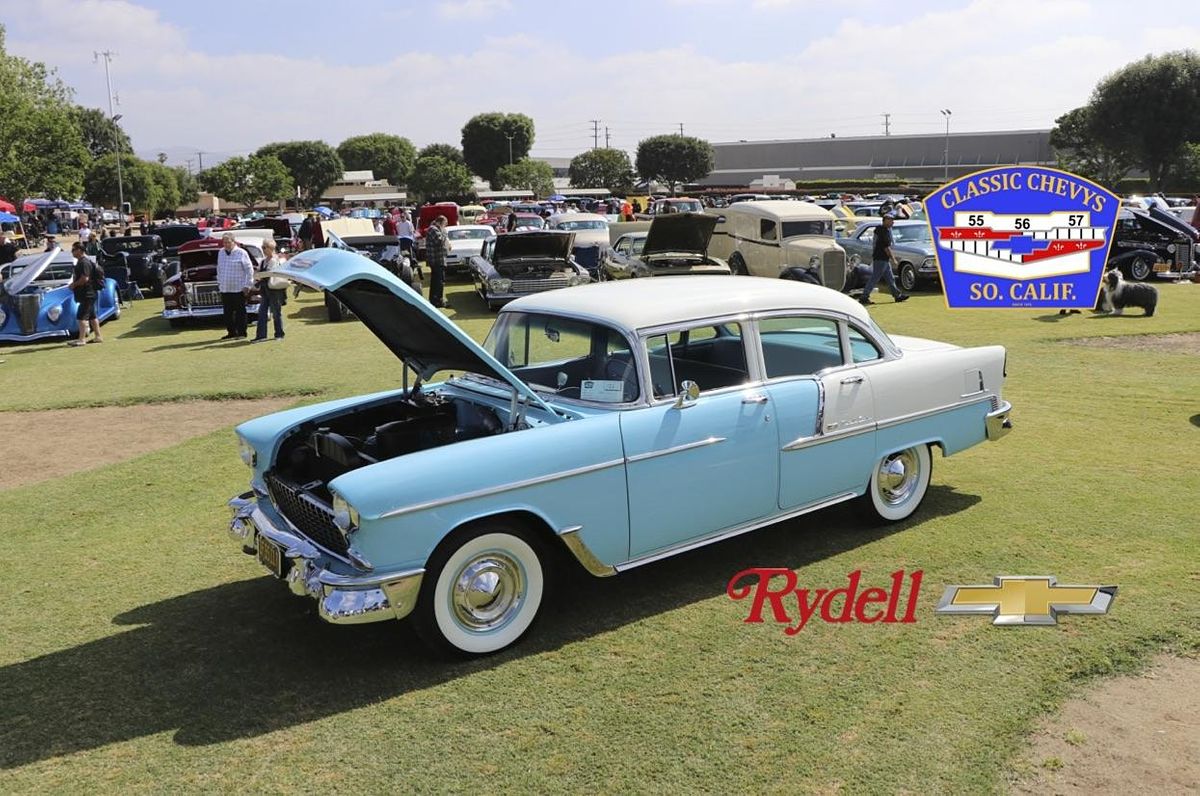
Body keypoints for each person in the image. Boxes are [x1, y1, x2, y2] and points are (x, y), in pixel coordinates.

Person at [859, 214, 908, 305]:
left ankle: (897, 295)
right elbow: (886, 247)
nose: (893, 222)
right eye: (890, 220)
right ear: (885, 221)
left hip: (882, 258)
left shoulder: (882, 230)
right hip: (881, 258)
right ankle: (864, 296)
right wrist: (893, 259)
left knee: (890, 278)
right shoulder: (883, 232)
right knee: (875, 278)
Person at [216, 232, 254, 339]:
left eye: (228, 242)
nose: (226, 244)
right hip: (225, 288)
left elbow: (249, 270)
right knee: (227, 313)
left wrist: (248, 285)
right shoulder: (221, 252)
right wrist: (219, 283)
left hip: (238, 288)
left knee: (240, 312)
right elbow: (219, 268)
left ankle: (242, 333)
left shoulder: (242, 253)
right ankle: (231, 332)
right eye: (224, 242)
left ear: (234, 241)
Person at [67, 242, 103, 346]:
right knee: (92, 316)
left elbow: (85, 278)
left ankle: (81, 340)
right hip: (88, 294)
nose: (72, 252)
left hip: (87, 293)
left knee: (81, 316)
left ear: (79, 250)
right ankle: (98, 336)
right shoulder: (82, 262)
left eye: (73, 249)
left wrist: (74, 285)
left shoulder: (83, 263)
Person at [252, 238, 286, 342]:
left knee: (276, 313)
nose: (263, 249)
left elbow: (270, 274)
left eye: (264, 247)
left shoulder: (275, 260)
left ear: (271, 248)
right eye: (262, 247)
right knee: (262, 312)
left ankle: (279, 334)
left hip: (274, 290)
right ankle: (261, 336)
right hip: (265, 290)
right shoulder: (263, 261)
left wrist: (260, 276)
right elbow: (259, 273)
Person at [425, 215, 449, 308]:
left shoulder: (434, 229)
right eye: (445, 223)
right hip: (436, 260)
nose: (445, 225)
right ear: (440, 222)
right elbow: (440, 241)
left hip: (438, 259)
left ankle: (435, 300)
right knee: (438, 281)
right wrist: (445, 233)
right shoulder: (433, 229)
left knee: (437, 281)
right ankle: (437, 300)